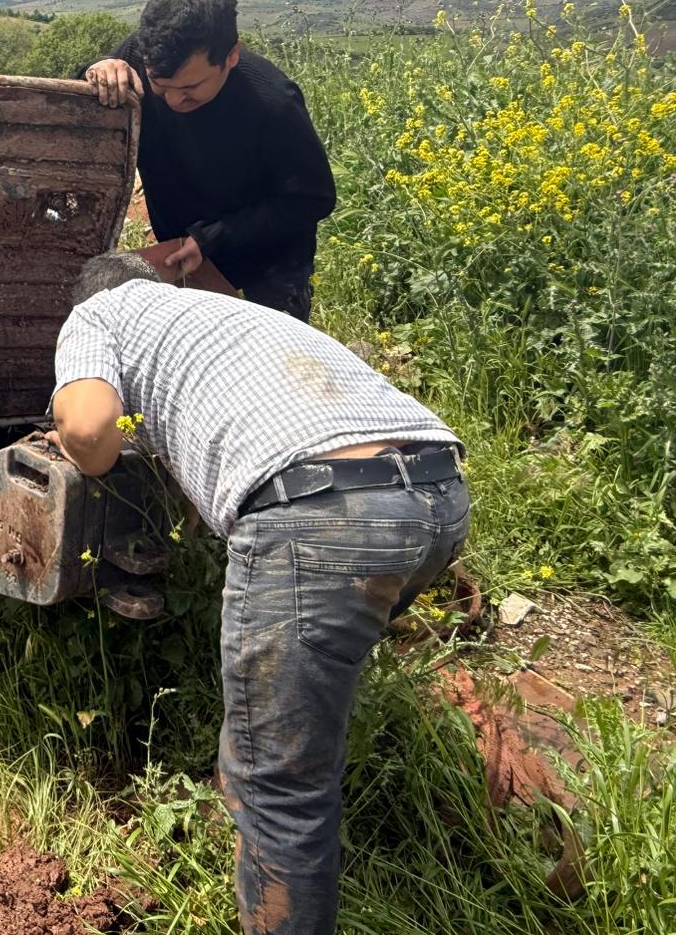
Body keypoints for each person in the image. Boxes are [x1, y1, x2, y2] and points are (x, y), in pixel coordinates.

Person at [51, 252, 468, 935]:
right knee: (303, 708)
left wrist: (72, 420)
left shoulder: (99, 313)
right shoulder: (221, 313)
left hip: (322, 517)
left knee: (279, 790)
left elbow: (92, 435)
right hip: (438, 493)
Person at [84, 0, 335, 322]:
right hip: (184, 253)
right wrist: (98, 69)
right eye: (160, 87)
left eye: (190, 89)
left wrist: (211, 238)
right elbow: (82, 108)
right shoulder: (140, 58)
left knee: (268, 360)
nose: (173, 101)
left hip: (270, 262)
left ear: (231, 55)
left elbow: (313, 198)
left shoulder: (273, 103)